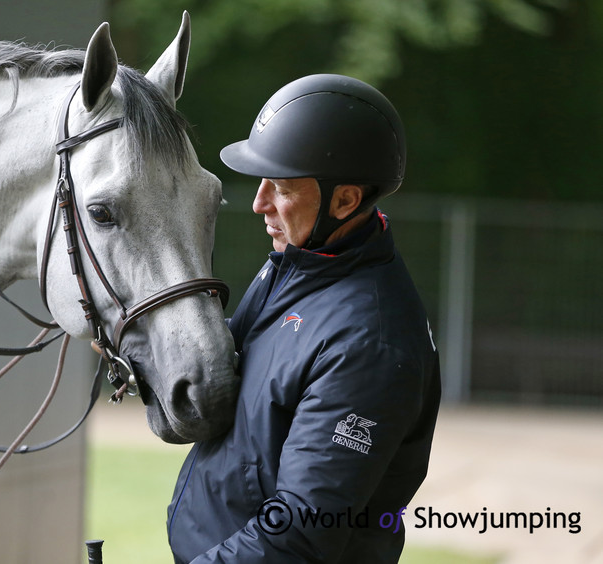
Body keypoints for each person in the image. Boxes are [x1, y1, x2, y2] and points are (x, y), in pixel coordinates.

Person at [167, 74, 441, 563]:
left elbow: (299, 533)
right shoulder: (300, 267)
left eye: (284, 187)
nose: (259, 203)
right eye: (262, 181)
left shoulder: (369, 344)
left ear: (345, 200)